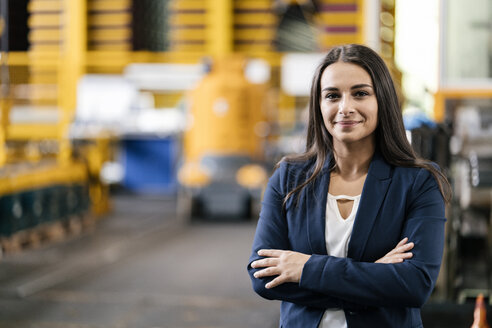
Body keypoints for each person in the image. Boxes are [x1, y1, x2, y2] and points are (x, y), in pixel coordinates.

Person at [247, 44, 451, 328]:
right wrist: (373, 276)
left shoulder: (418, 182)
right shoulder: (289, 178)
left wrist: (306, 267)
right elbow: (264, 277)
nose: (345, 107)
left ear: (383, 100)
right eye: (332, 96)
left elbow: (415, 285)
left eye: (360, 93)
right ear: (319, 106)